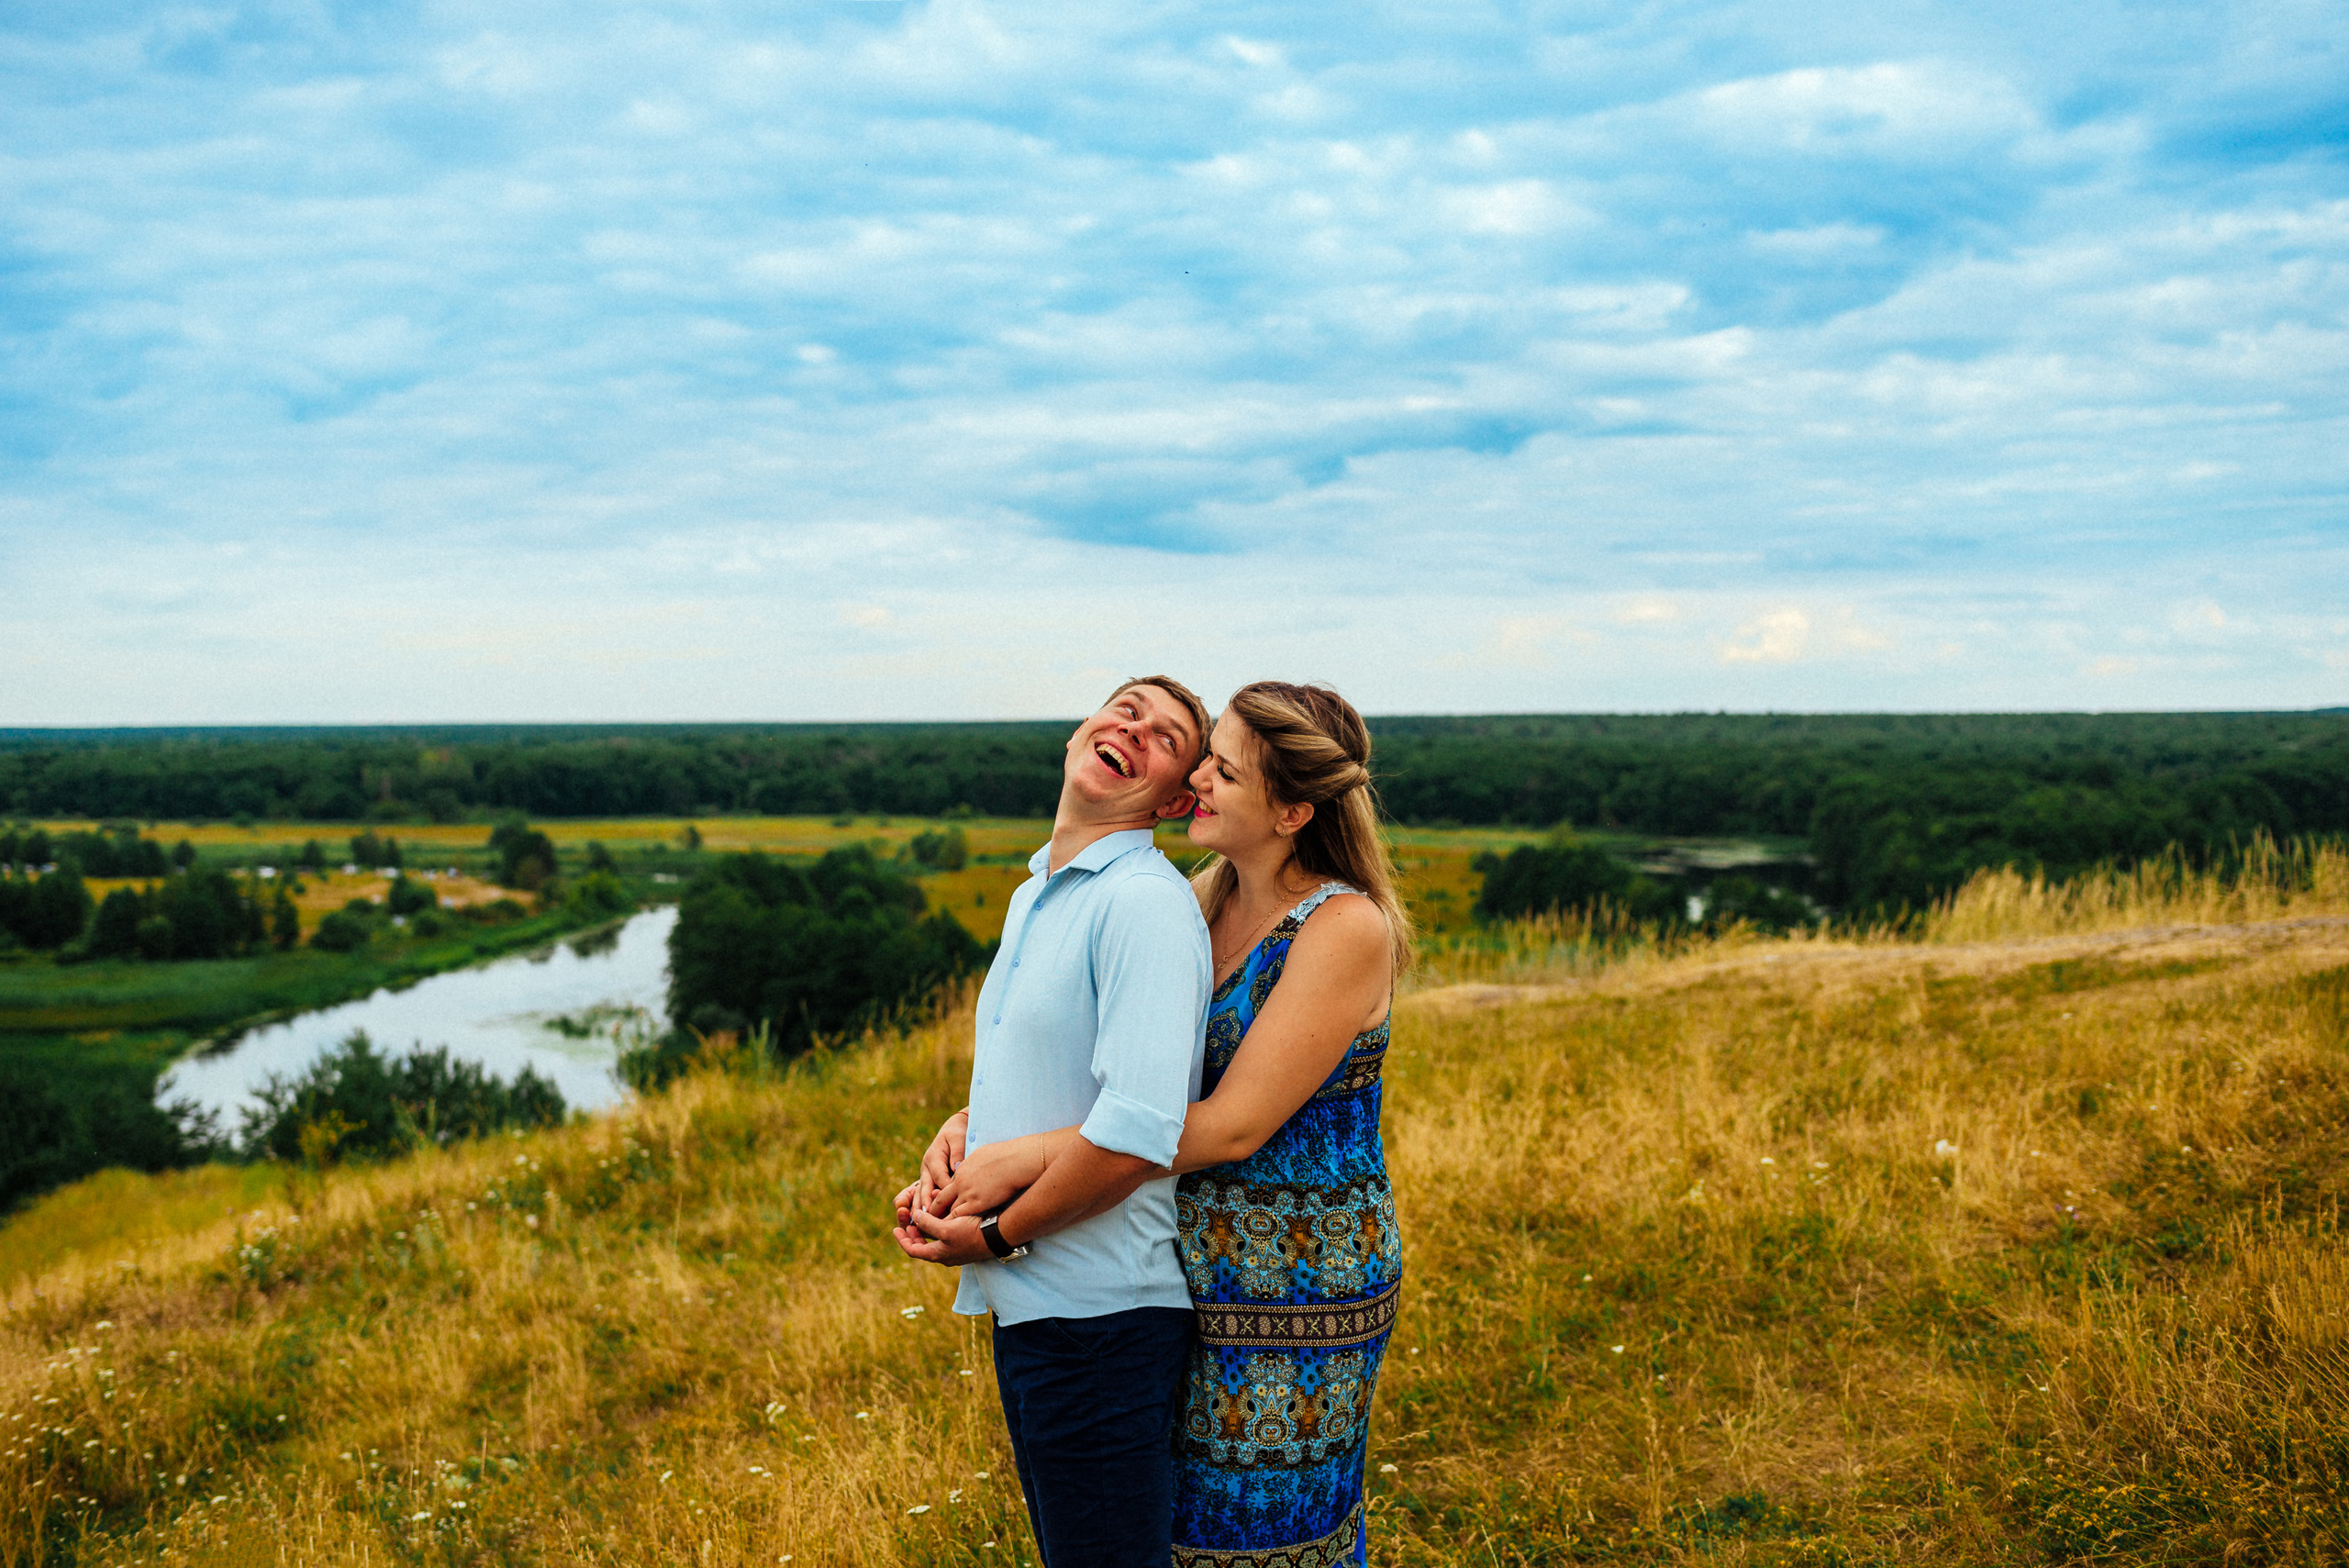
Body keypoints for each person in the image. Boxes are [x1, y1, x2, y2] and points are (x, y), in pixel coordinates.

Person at [931, 681, 1410, 1568]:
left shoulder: (1344, 926)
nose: (1197, 779)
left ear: (1293, 810)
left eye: (1225, 771)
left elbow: (1229, 1127)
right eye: (1206, 759)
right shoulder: (1202, 898)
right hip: (1200, 1255)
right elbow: (1109, 1061)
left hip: (1297, 1276)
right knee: (1179, 1534)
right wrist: (976, 1120)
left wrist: (1028, 1161)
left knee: (1271, 1534)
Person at [892, 674, 1215, 1568]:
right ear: (1085, 724)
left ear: (1176, 797)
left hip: (1101, 1319)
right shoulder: (1042, 890)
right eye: (1127, 705)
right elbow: (1069, 1070)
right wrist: (968, 1123)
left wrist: (994, 1234)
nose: (1133, 727)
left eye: (1166, 736)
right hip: (1045, 1310)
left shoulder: (1141, 903)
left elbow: (1138, 1130)